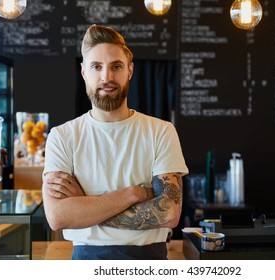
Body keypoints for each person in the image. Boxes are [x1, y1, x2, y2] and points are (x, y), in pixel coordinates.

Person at [42, 24, 189, 260]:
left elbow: (169, 214)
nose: (106, 77)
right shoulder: (62, 136)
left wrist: (85, 206)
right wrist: (132, 194)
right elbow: (58, 217)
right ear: (84, 73)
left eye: (116, 66)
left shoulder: (161, 131)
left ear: (130, 70)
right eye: (96, 67)